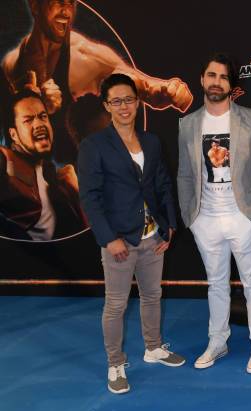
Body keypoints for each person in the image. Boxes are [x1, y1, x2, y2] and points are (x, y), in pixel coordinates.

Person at [78, 73, 185, 394]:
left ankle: (153, 347)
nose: (124, 106)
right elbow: (90, 197)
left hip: (153, 237)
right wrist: (108, 238)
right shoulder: (93, 145)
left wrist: (170, 225)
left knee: (153, 296)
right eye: (116, 101)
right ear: (106, 106)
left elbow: (163, 184)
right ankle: (115, 364)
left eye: (129, 99)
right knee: (116, 305)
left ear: (138, 102)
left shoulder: (151, 141)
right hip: (119, 241)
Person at [2, 0, 192, 164]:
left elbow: (142, 85)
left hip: (80, 187)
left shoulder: (85, 58)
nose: (66, 11)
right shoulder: (13, 65)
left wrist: (165, 90)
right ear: (35, 5)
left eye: (70, 3)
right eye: (58, 2)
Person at [177, 53, 251, 374]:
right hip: (205, 219)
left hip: (244, 217)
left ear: (232, 85)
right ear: (202, 80)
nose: (217, 82)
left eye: (223, 77)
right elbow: (185, 174)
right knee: (215, 284)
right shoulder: (187, 123)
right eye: (211, 75)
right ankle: (218, 340)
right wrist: (191, 218)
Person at [0, 89, 86, 240]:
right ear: (13, 134)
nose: (39, 124)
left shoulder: (56, 177)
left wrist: (75, 192)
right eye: (28, 120)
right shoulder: (7, 161)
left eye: (43, 117)